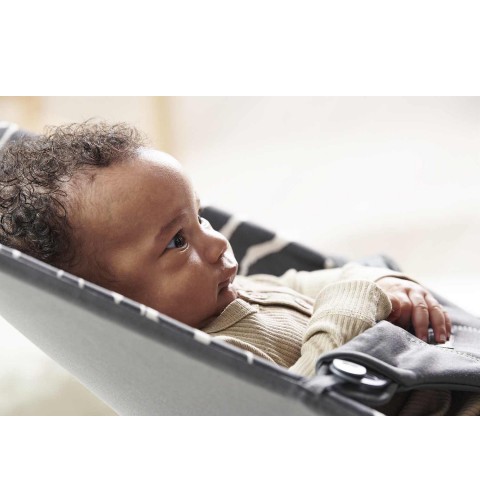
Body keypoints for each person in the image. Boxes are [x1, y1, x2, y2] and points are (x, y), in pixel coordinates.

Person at [0, 121, 459, 412]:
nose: (219, 241)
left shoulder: (237, 288)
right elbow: (302, 404)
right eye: (177, 241)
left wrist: (377, 279)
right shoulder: (221, 362)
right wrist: (352, 300)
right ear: (111, 302)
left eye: (199, 217)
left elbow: (315, 281)